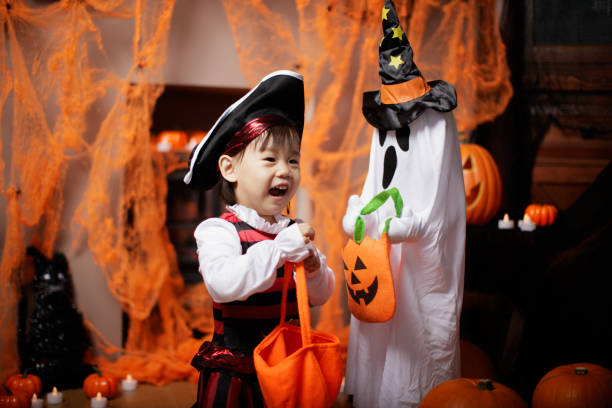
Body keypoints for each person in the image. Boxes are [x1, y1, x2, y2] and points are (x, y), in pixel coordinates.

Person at [183, 70, 336, 408]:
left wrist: (312, 267)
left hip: (286, 367)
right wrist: (281, 249)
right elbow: (223, 284)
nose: (285, 170)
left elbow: (321, 296)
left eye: (293, 160)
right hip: (237, 372)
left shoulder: (292, 229)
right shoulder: (219, 230)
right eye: (270, 159)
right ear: (229, 169)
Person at [342, 1, 465, 407]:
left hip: (418, 265)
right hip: (381, 265)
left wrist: (416, 227)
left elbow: (437, 216)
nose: (395, 140)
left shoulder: (437, 136)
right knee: (376, 335)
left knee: (416, 337)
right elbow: (376, 182)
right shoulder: (384, 141)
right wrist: (360, 211)